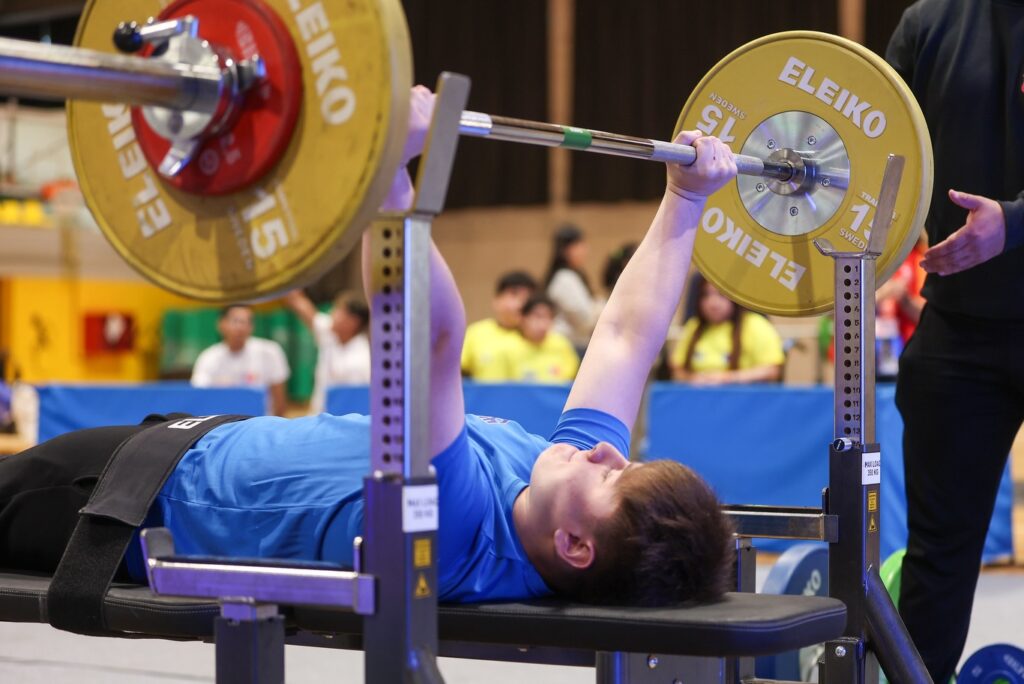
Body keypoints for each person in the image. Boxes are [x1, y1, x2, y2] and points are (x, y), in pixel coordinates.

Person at [0, 86, 737, 606]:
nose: (607, 452)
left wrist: (390, 173)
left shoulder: (460, 534)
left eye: (613, 477)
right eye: (626, 458)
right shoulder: (549, 489)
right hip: (192, 449)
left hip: (124, 503)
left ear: (577, 546)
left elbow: (430, 336)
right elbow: (625, 337)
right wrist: (686, 199)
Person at [886, 1, 1024, 679]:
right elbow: (872, 145)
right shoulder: (928, 22)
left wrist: (1016, 222)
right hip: (958, 334)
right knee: (937, 559)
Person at [668, 274, 785, 385]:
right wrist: (694, 379)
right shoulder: (693, 326)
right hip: (700, 399)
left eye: (721, 295)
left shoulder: (756, 325)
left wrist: (728, 378)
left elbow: (772, 371)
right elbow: (677, 370)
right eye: (706, 295)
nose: (712, 303)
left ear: (735, 297)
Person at [190, 305, 291, 416]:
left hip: (260, 421)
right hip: (222, 421)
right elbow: (200, 395)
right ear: (221, 324)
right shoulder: (208, 357)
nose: (241, 327)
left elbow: (279, 399)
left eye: (246, 322)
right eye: (236, 321)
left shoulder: (270, 351)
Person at [284, 289, 371, 414]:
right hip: (319, 418)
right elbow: (300, 305)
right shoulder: (331, 335)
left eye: (338, 310)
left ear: (353, 321)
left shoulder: (362, 360)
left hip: (340, 424)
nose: (331, 313)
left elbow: (357, 404)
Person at [461, 271, 537, 381]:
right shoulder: (476, 333)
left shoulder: (548, 339)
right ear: (496, 300)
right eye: (514, 295)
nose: (521, 304)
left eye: (528, 298)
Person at [545, 225, 600, 355]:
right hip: (569, 347)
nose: (586, 250)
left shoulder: (573, 276)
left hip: (576, 345)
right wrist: (600, 310)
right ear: (566, 249)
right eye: (580, 245)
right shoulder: (564, 278)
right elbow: (583, 318)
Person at [509, 294, 580, 383]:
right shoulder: (508, 347)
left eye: (549, 317)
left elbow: (571, 381)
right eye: (538, 316)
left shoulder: (562, 344)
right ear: (523, 318)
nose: (543, 324)